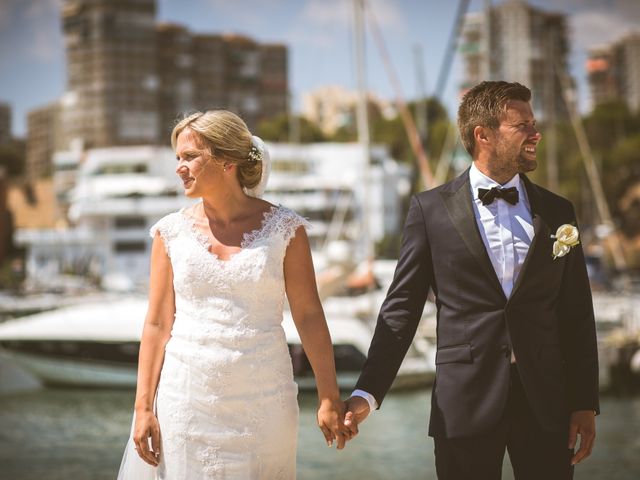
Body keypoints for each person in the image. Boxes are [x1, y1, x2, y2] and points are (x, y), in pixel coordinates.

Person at [342, 81, 599, 479]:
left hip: (547, 402)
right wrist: (366, 393)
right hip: (463, 402)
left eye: (534, 123)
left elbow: (577, 313)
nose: (536, 134)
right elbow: (402, 309)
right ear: (484, 134)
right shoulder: (429, 210)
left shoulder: (558, 210)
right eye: (523, 125)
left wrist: (584, 400)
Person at [118, 110, 349, 479]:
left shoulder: (286, 230)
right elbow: (158, 324)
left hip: (264, 403)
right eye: (178, 158)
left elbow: (308, 315)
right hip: (185, 400)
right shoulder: (169, 233)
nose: (180, 167)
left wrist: (328, 397)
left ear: (226, 160)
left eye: (190, 156)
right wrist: (143, 408)